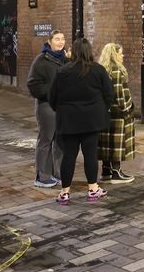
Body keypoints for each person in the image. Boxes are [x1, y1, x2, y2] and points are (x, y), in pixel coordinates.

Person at [48, 38, 114, 205]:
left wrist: (62, 110)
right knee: (90, 155)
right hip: (92, 120)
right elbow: (109, 95)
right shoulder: (98, 70)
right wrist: (100, 109)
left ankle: (65, 193)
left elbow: (52, 97)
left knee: (69, 155)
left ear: (74, 51)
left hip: (69, 120)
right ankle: (93, 189)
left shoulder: (62, 71)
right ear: (89, 51)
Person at [25, 30, 67, 188]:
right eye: (57, 39)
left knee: (61, 141)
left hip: (63, 106)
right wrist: (52, 91)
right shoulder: (41, 60)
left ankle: (59, 173)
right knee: (46, 140)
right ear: (49, 41)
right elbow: (32, 85)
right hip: (46, 106)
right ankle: (42, 176)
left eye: (63, 39)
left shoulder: (65, 59)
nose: (61, 42)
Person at [97, 43, 136, 184]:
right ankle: (116, 172)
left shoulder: (102, 69)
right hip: (118, 113)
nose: (123, 55)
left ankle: (106, 171)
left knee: (107, 142)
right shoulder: (117, 71)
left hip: (105, 111)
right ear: (114, 54)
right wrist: (128, 109)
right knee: (117, 143)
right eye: (121, 53)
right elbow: (120, 94)